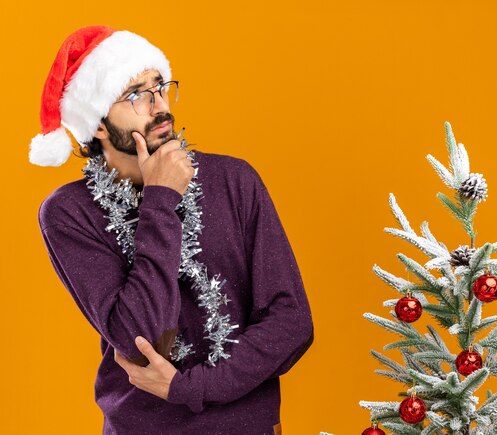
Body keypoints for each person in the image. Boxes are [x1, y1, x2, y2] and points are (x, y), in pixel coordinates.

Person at [31, 25, 313, 435]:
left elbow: (291, 322)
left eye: (160, 87)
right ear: (97, 124)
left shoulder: (234, 179)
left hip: (246, 426)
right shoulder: (68, 213)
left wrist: (191, 387)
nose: (159, 105)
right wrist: (161, 199)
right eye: (135, 95)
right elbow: (140, 337)